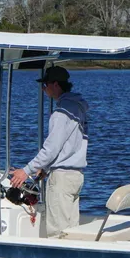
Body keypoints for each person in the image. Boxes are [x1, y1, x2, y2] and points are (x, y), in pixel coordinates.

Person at [10, 66, 89, 237]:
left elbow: (51, 149)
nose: (43, 89)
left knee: (58, 232)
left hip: (61, 179)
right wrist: (45, 169)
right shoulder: (78, 108)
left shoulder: (61, 113)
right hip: (76, 176)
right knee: (71, 230)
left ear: (55, 85)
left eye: (45, 85)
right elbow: (70, 145)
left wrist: (25, 171)